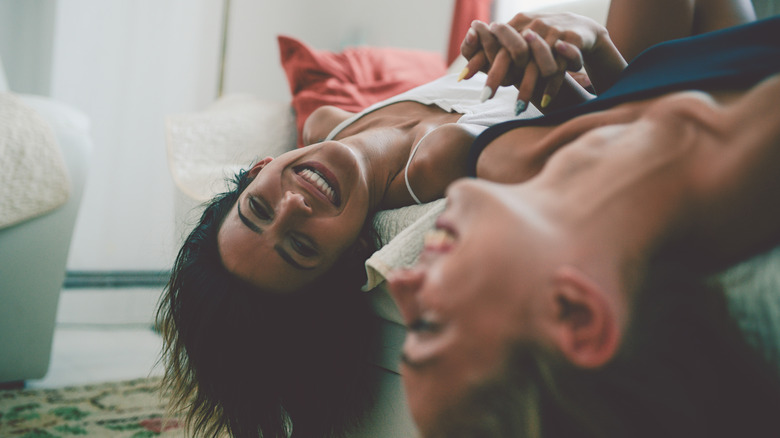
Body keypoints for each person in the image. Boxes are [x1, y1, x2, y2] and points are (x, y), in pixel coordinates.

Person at [155, 2, 757, 437]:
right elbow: (638, 129)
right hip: (666, 70)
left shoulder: (325, 124)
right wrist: (587, 46)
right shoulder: (457, 163)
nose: (293, 206)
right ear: (355, 248)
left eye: (258, 207)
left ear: (259, 168)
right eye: (301, 247)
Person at [388, 15, 780, 438]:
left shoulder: (510, 161)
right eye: (427, 326)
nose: (400, 282)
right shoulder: (748, 167)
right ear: (575, 315)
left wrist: (594, 44)